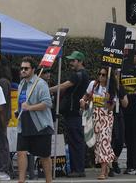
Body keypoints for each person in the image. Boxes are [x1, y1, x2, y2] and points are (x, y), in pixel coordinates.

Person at [49, 50, 89, 178]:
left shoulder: (78, 75)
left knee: (75, 141)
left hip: (73, 113)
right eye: (70, 60)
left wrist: (46, 89)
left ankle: (78, 170)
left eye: (73, 60)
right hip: (75, 113)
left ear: (80, 61)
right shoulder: (83, 74)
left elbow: (63, 86)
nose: (70, 63)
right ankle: (77, 169)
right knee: (75, 141)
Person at [17, 57, 53, 183]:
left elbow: (47, 103)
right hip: (24, 123)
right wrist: (19, 111)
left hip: (40, 124)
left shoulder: (40, 83)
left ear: (33, 69)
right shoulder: (22, 83)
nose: (23, 71)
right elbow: (22, 103)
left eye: (26, 68)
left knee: (44, 156)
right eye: (21, 68)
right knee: (21, 151)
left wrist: (30, 107)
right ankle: (21, 180)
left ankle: (49, 180)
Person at [79, 66, 117, 180]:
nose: (101, 76)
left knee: (103, 141)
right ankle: (109, 160)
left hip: (106, 117)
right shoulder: (93, 85)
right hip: (94, 117)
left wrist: (107, 100)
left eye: (104, 75)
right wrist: (82, 101)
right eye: (99, 74)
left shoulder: (111, 89)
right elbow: (85, 96)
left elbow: (110, 108)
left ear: (108, 77)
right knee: (95, 143)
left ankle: (103, 171)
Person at [0, 62, 13, 181]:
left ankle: (4, 168)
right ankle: (6, 167)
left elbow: (2, 103)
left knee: (2, 142)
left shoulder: (3, 82)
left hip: (2, 116)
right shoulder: (2, 81)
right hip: (2, 116)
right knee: (1, 141)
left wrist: (2, 118)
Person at [110, 68, 128, 176]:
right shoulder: (107, 87)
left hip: (118, 115)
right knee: (110, 140)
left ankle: (115, 160)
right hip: (108, 115)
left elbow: (125, 103)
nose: (117, 76)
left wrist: (119, 91)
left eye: (119, 74)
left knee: (120, 140)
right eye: (115, 74)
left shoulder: (120, 87)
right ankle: (109, 166)